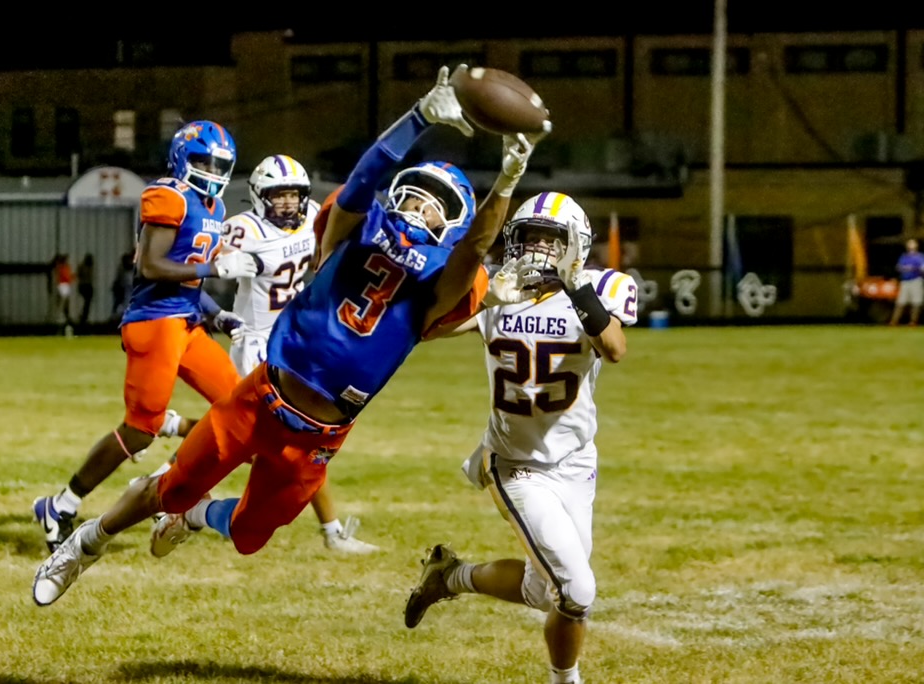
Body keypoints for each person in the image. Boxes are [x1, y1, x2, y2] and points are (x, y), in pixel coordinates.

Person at [32, 65, 549, 607]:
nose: (419, 211)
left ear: (452, 225)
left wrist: (508, 178)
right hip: (261, 394)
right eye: (414, 198)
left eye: (434, 208)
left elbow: (470, 258)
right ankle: (84, 544)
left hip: (317, 437)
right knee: (172, 484)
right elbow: (365, 179)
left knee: (251, 536)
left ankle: (197, 517)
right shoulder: (351, 232)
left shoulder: (437, 290)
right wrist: (417, 118)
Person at [402, 191, 639, 684]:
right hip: (515, 464)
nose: (535, 249)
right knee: (576, 591)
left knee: (542, 589)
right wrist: (475, 291)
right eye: (527, 237)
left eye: (549, 240)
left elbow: (614, 347)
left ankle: (449, 576)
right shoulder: (496, 291)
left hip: (575, 460)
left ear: (575, 245)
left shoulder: (600, 288)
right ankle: (564, 680)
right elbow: (424, 328)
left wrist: (576, 290)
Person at [32, 120, 259, 553]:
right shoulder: (167, 195)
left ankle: (169, 490)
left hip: (186, 322)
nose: (211, 171)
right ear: (180, 159)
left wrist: (218, 315)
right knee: (141, 430)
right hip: (154, 322)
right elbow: (151, 267)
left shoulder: (212, 208)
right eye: (202, 162)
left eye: (219, 164)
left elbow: (187, 282)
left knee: (240, 408)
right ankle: (62, 504)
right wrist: (215, 270)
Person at [156, 154, 378, 553]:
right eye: (279, 196)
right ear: (259, 197)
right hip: (258, 342)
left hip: (299, 339)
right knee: (277, 444)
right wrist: (218, 277)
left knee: (296, 445)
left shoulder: (314, 215)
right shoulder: (242, 231)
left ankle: (176, 437)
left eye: (294, 195)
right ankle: (167, 480)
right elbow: (195, 265)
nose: (289, 204)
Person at [888, 237, 924, 326]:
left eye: (912, 243)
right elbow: (899, 267)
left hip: (916, 280)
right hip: (905, 281)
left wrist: (914, 268)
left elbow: (922, 268)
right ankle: (894, 321)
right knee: (901, 301)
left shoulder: (920, 257)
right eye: (909, 243)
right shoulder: (904, 257)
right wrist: (905, 268)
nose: (911, 245)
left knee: (916, 301)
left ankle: (913, 321)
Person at [110, 251, 134, 321]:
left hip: (129, 289)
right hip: (123, 289)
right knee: (122, 304)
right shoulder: (122, 269)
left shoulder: (133, 269)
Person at [76, 253, 95, 326]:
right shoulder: (84, 267)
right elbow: (80, 275)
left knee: (87, 303)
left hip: (87, 286)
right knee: (86, 302)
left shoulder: (89, 267)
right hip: (84, 286)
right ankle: (83, 317)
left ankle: (84, 317)